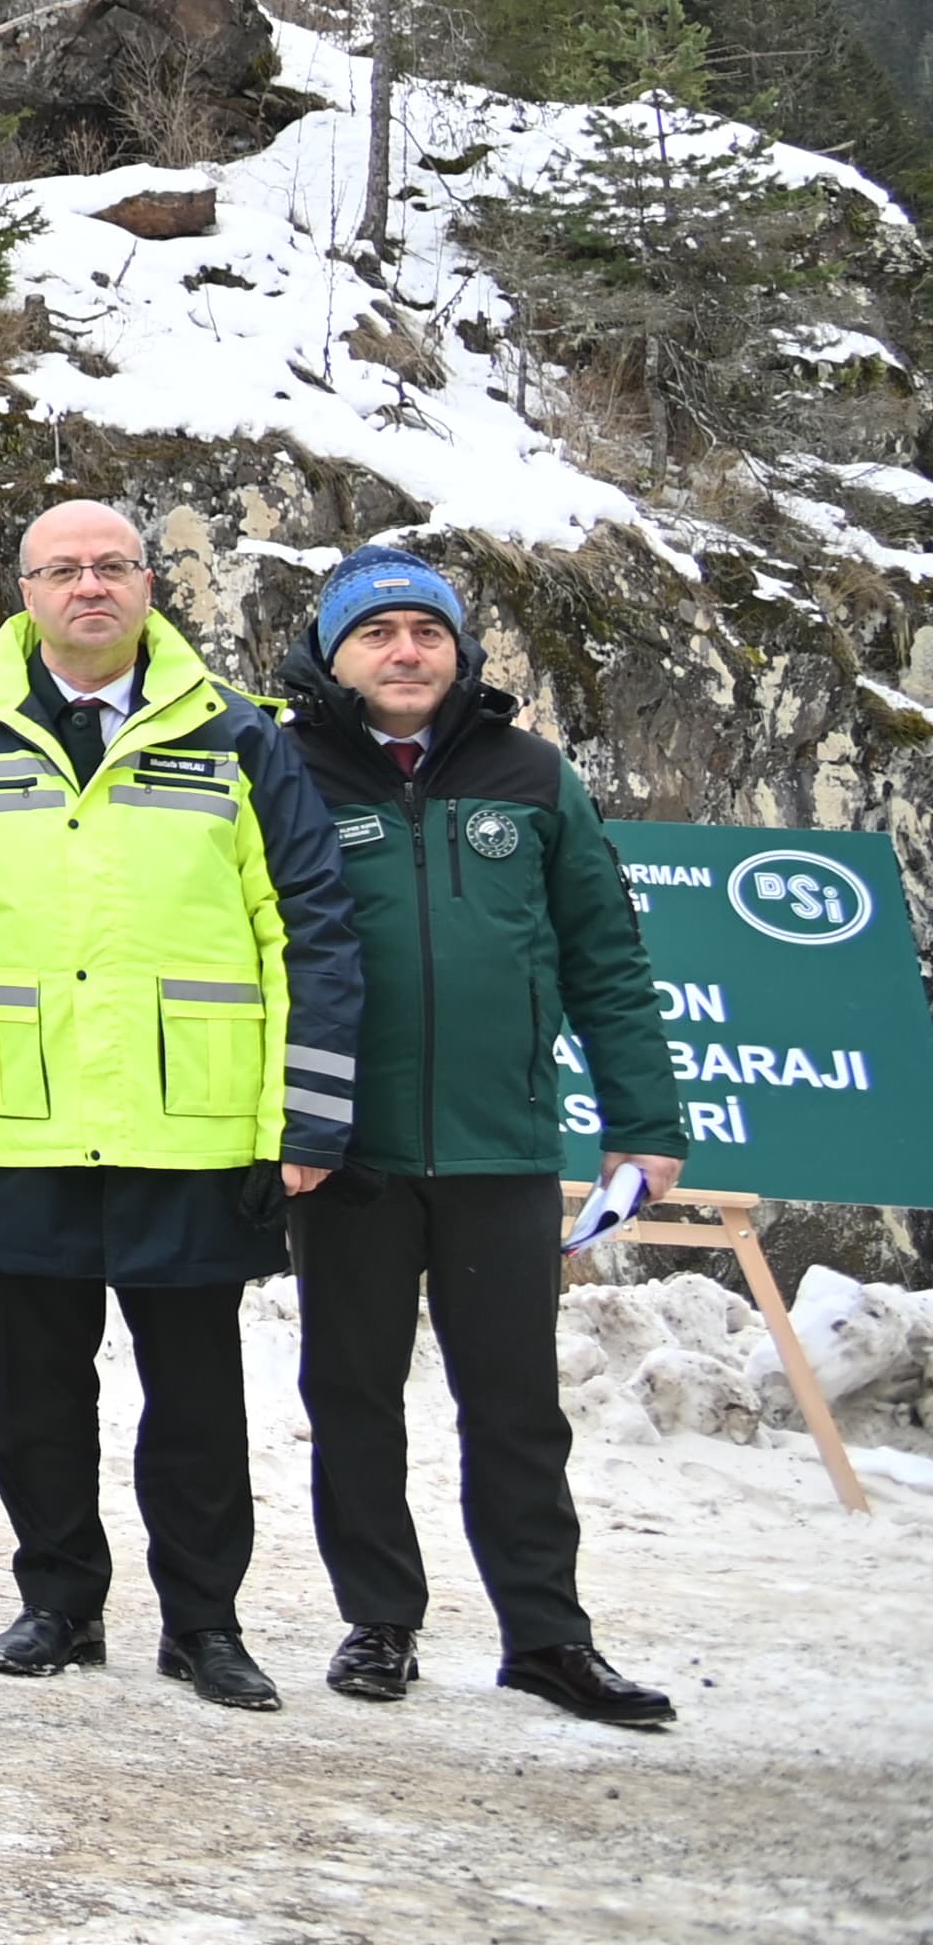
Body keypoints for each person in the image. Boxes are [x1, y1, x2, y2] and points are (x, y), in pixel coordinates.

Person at [0, 501, 360, 1711]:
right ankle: (56, 1603)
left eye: (110, 565)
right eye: (62, 568)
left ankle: (202, 1622)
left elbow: (307, 926)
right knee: (34, 1399)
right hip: (19, 1125)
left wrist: (304, 1116)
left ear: (148, 582)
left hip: (190, 1126)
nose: (87, 585)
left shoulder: (237, 736)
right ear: (25, 591)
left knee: (194, 1402)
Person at [277, 547, 690, 1726]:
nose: (403, 650)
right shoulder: (283, 768)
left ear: (457, 651)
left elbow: (605, 957)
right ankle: (378, 1619)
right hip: (341, 1149)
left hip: (497, 1146)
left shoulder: (530, 772)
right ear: (331, 656)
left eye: (426, 631)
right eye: (374, 632)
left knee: (513, 1406)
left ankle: (546, 1637)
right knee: (351, 1394)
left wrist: (642, 1121)